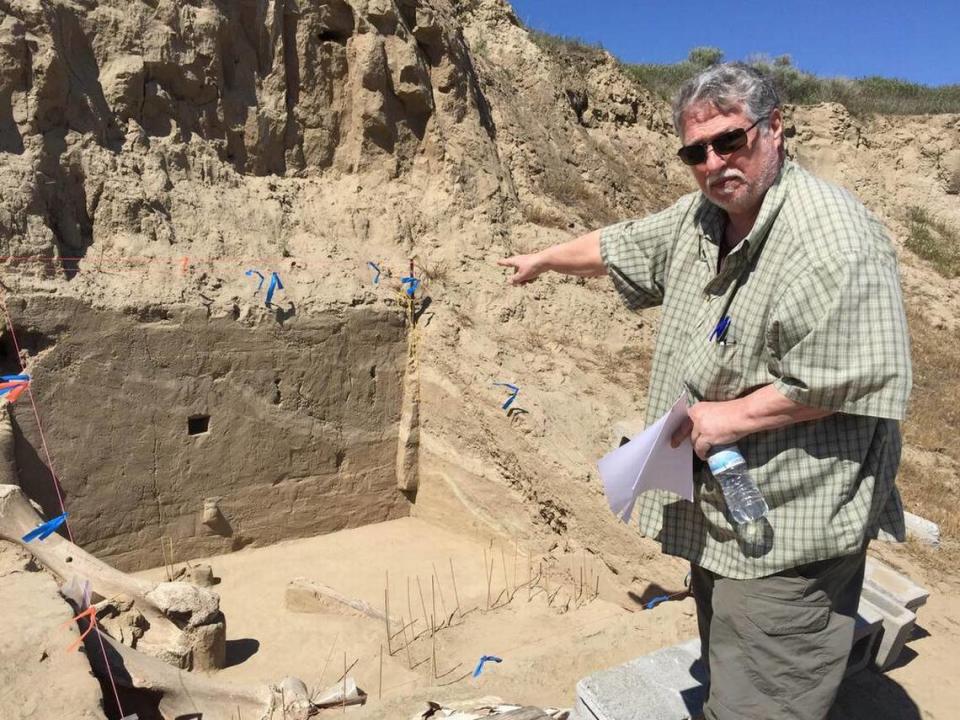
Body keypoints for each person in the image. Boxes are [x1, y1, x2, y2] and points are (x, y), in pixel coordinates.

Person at [498, 63, 912, 720]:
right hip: (723, 516)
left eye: (730, 141)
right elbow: (620, 246)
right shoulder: (705, 216)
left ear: (774, 127)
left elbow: (853, 375)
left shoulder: (829, 237)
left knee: (765, 697)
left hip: (788, 529)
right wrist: (544, 259)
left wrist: (733, 417)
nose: (714, 162)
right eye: (696, 152)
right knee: (730, 656)